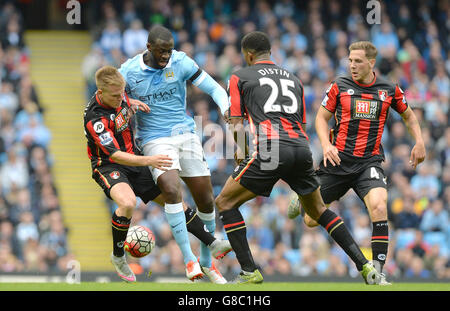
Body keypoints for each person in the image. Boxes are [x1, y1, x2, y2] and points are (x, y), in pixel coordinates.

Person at [215, 31, 380, 284]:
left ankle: (249, 270)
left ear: (248, 55)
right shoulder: (294, 79)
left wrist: (241, 156)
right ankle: (365, 265)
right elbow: (299, 122)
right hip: (302, 148)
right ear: (269, 52)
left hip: (270, 148)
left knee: (225, 202)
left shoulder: (239, 75)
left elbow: (236, 122)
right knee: (319, 210)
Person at [288, 41, 426, 285]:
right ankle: (302, 200)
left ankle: (377, 271)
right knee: (310, 220)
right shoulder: (339, 86)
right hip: (337, 161)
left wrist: (419, 142)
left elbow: (409, 116)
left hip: (368, 163)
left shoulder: (388, 89)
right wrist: (326, 145)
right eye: (350, 60)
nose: (352, 65)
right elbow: (321, 118)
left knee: (380, 206)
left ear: (371, 63)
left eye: (358, 61)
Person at [84, 66, 231, 283]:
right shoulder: (95, 119)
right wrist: (150, 160)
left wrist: (129, 102)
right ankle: (118, 256)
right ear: (100, 91)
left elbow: (123, 99)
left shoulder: (120, 93)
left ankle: (212, 242)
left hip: (134, 158)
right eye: (115, 96)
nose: (120, 98)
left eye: (121, 94)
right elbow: (115, 156)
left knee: (175, 201)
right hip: (108, 165)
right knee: (127, 202)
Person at [118, 25, 231, 283]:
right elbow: (106, 94)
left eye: (168, 51)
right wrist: (127, 101)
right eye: (161, 51)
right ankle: (189, 259)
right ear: (148, 48)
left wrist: (225, 108)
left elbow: (215, 88)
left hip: (186, 134)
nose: (166, 56)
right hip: (154, 138)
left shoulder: (181, 62)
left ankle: (207, 261)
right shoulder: (128, 71)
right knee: (171, 189)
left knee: (205, 199)